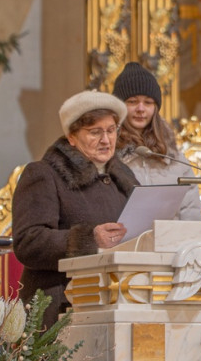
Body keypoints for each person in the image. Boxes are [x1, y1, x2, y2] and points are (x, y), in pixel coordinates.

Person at [12, 90, 139, 328]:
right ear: (71, 137)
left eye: (111, 130)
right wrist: (89, 238)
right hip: (58, 309)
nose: (106, 140)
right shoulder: (44, 174)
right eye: (95, 132)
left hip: (118, 302)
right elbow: (27, 242)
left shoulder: (125, 178)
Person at [111, 61, 201, 220]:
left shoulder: (174, 158)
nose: (141, 108)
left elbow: (190, 213)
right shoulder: (107, 152)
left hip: (169, 242)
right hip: (125, 242)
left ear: (155, 108)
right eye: (132, 101)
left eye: (148, 102)